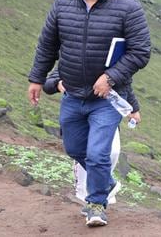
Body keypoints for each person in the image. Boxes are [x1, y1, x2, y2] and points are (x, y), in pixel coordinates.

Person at [27, 0, 151, 227]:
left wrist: (110, 78)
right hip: (71, 93)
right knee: (74, 149)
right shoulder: (62, 3)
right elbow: (47, 45)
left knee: (98, 154)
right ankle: (106, 181)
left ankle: (96, 204)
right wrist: (37, 79)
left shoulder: (129, 8)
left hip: (106, 99)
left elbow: (141, 52)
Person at [43, 69, 141, 210]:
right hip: (79, 118)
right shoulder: (72, 58)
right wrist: (57, 84)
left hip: (106, 116)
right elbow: (49, 81)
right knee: (86, 156)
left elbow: (124, 83)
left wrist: (133, 109)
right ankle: (87, 198)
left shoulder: (110, 64)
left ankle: (104, 193)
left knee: (110, 154)